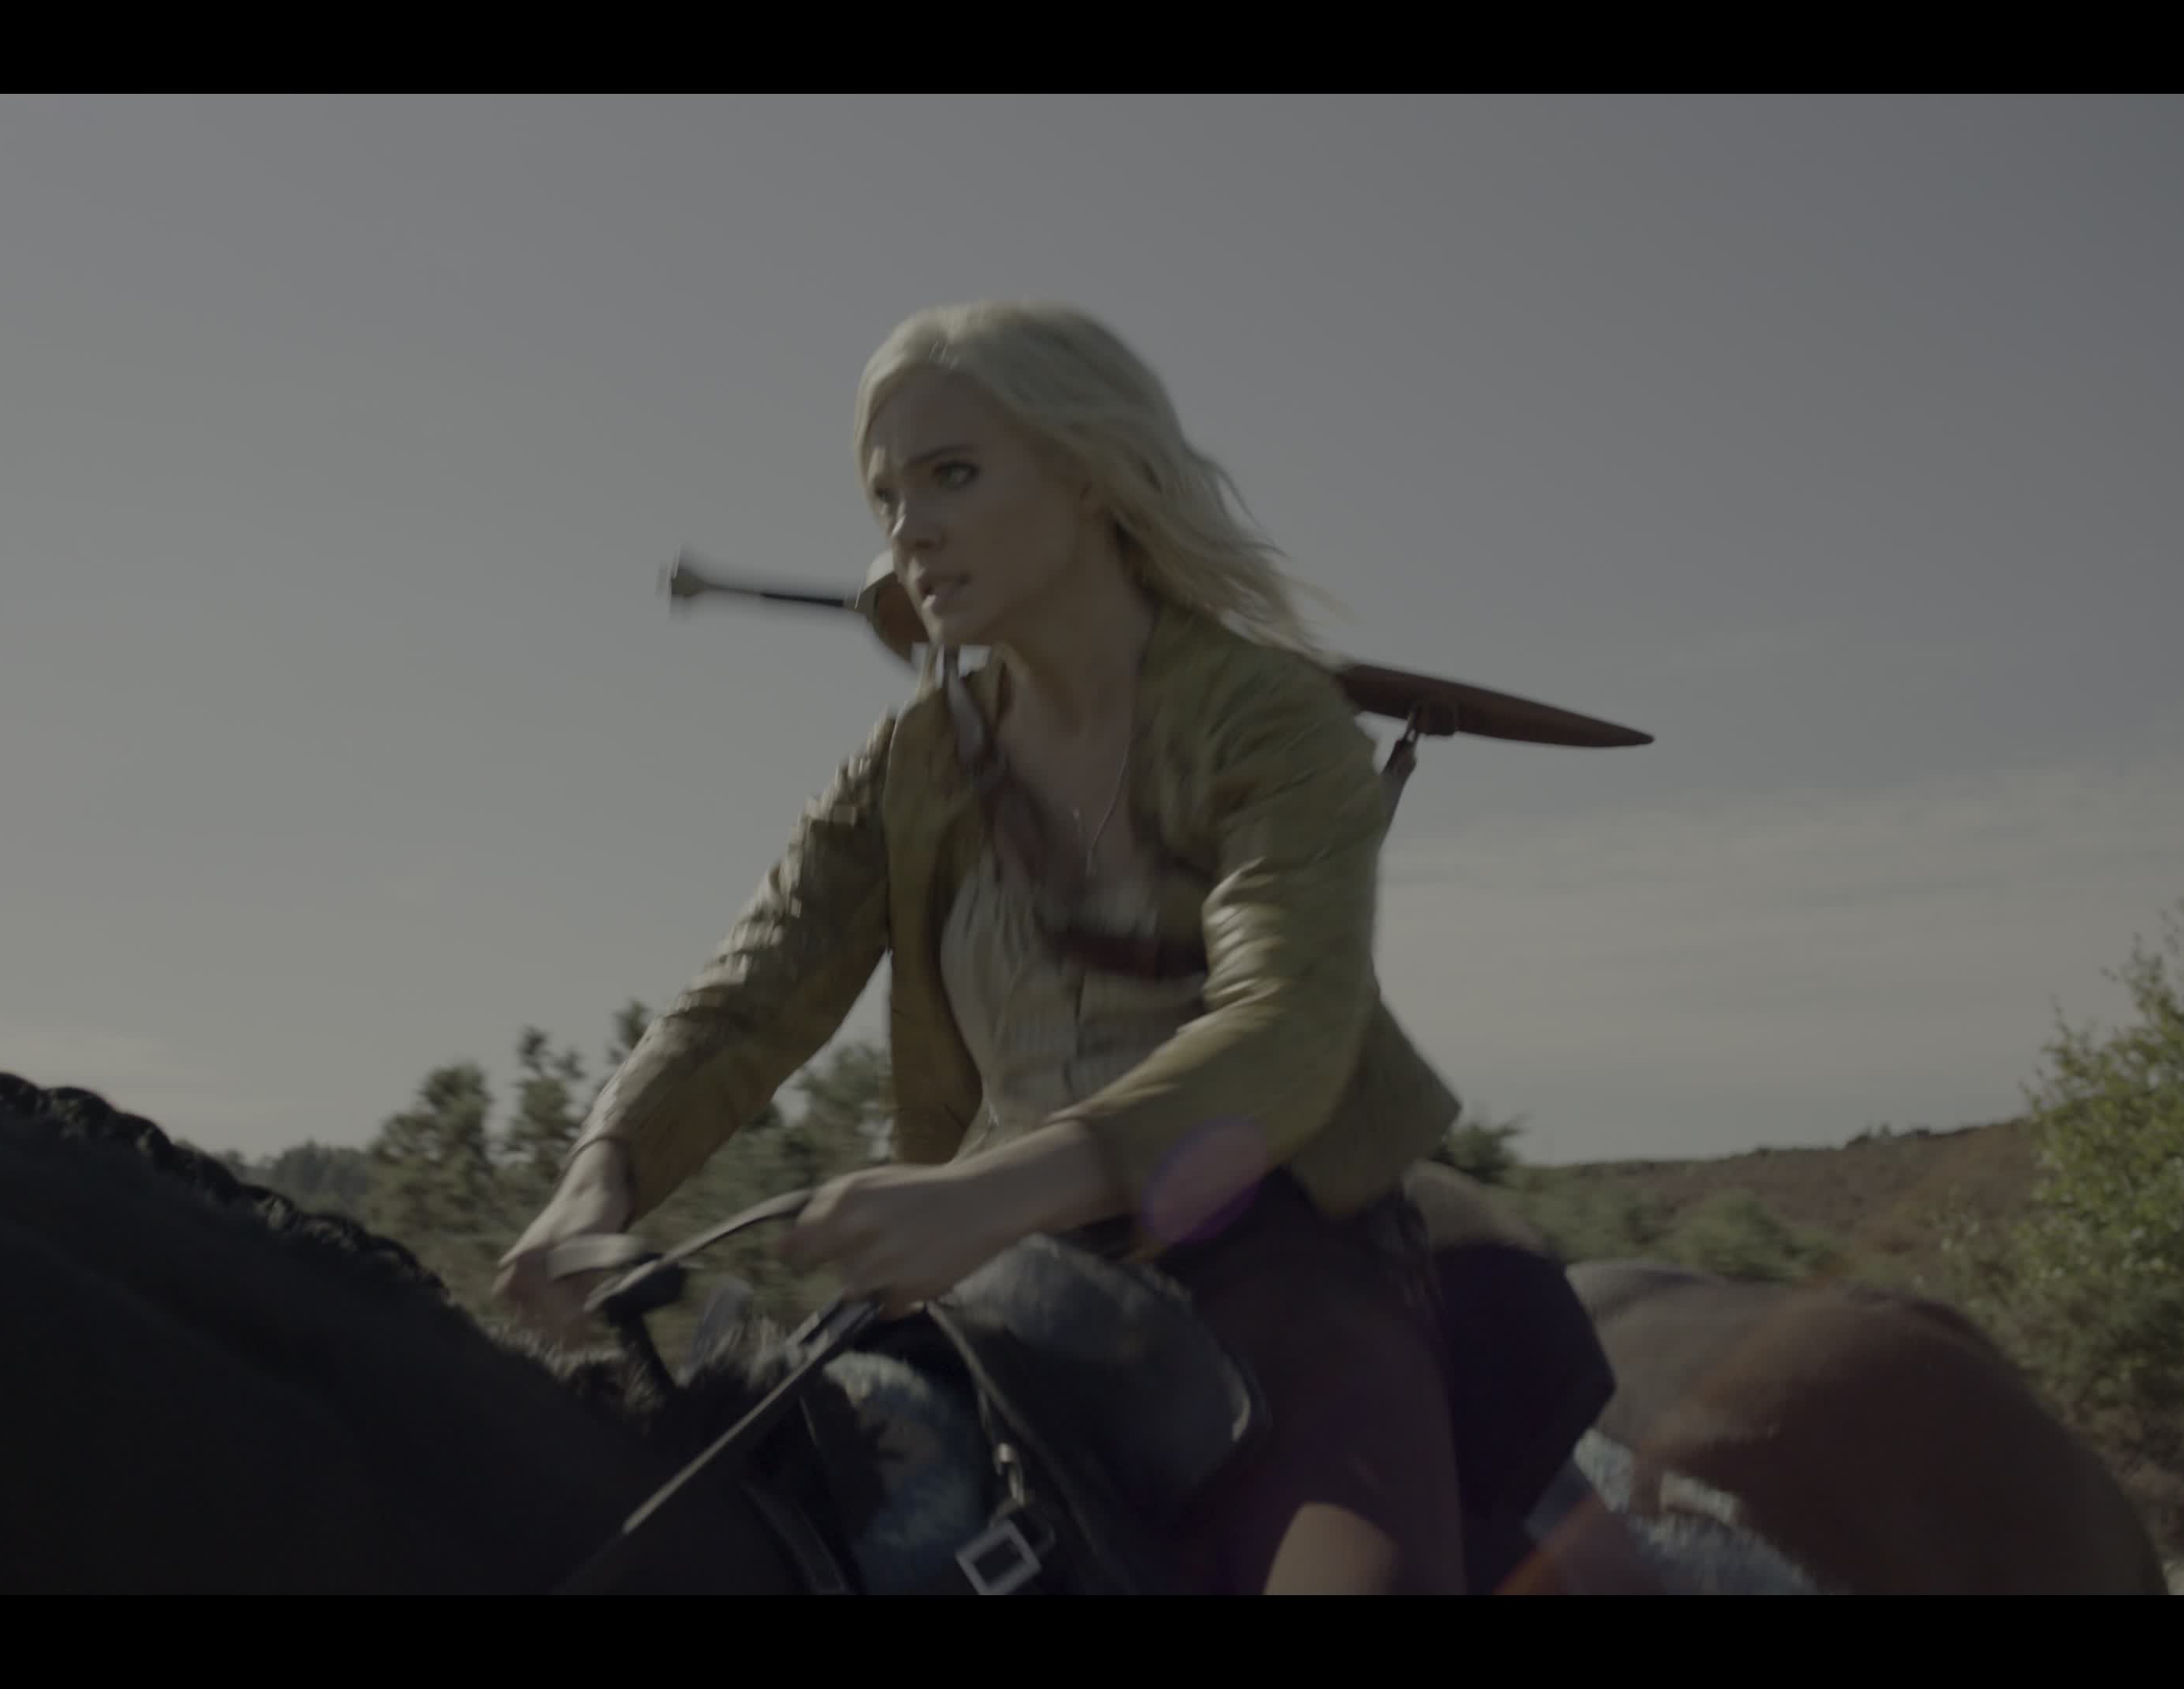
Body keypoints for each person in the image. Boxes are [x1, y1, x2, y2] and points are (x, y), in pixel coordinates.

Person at [497, 300, 1467, 1595]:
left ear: (1089, 475)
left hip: (1280, 1260)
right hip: (1013, 1277)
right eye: (886, 496)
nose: (909, 528)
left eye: (952, 475)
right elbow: (745, 1003)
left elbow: (1287, 1026)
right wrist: (600, 1178)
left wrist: (988, 1195)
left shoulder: (1271, 720)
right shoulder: (910, 765)